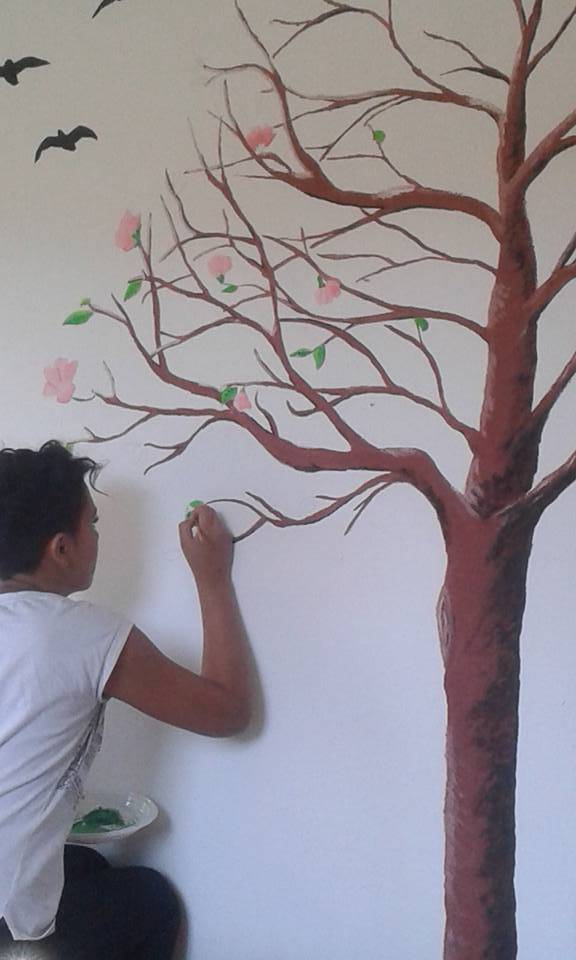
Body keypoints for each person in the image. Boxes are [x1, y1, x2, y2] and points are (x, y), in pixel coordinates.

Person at [0, 440, 253, 959]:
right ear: (61, 548)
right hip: (6, 922)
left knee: (87, 866)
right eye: (91, 524)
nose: (97, 536)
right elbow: (227, 709)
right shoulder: (76, 633)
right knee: (152, 898)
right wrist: (212, 577)